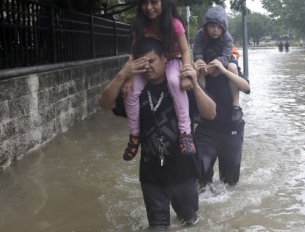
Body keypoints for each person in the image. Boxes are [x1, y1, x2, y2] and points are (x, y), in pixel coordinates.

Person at [99, 37, 216, 230]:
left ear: (164, 58)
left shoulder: (181, 85)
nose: (148, 68)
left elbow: (211, 113)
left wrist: (195, 84)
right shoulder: (133, 90)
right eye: (142, 64)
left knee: (189, 222)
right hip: (151, 177)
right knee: (158, 227)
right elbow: (104, 103)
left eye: (151, 61)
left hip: (184, 173)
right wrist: (122, 75)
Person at [121, 0, 195, 161]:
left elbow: (185, 50)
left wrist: (186, 72)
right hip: (147, 62)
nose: (149, 7)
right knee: (131, 91)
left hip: (173, 60)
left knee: (175, 83)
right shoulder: (139, 25)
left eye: (154, 2)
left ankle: (185, 133)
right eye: (144, 3)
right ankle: (134, 135)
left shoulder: (175, 24)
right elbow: (133, 52)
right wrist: (128, 77)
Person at [194, 49, 250, 188]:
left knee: (230, 182)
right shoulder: (201, 75)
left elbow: (247, 88)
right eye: (208, 65)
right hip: (206, 129)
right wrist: (198, 74)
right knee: (202, 179)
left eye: (212, 65)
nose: (209, 68)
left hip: (231, 128)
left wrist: (224, 71)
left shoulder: (231, 71)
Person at [193, 6, 242, 121]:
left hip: (223, 60)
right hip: (206, 59)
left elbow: (226, 55)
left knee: (232, 67)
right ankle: (201, 104)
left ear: (223, 28)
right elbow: (197, 51)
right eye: (212, 26)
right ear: (206, 26)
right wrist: (199, 61)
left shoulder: (227, 37)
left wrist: (218, 64)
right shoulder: (200, 34)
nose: (215, 30)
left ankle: (236, 105)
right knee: (200, 70)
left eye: (219, 27)